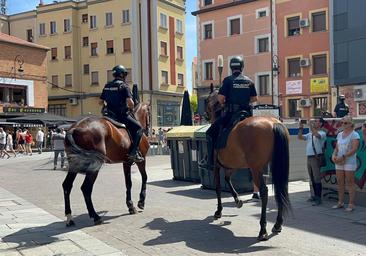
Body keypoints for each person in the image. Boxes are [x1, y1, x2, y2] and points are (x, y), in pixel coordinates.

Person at [206, 56, 258, 167]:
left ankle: (210, 161)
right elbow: (254, 99)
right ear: (242, 67)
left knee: (210, 133)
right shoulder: (249, 81)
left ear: (231, 67)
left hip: (232, 115)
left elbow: (220, 98)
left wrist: (224, 103)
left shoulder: (228, 80)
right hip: (247, 114)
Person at [99, 65, 144, 162]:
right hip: (121, 115)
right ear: (122, 75)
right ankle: (134, 152)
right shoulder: (123, 86)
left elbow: (100, 102)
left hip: (109, 115)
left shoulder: (107, 86)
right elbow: (130, 103)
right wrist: (130, 108)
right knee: (139, 128)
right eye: (125, 75)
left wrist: (106, 106)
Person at [331, 116, 360, 212]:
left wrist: (343, 156)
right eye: (342, 122)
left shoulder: (354, 134)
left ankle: (351, 204)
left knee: (350, 182)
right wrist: (334, 155)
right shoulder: (339, 134)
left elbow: (354, 149)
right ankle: (340, 202)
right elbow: (337, 147)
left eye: (345, 123)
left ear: (351, 124)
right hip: (339, 160)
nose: (343, 124)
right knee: (340, 181)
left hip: (349, 161)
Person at [298, 118, 326, 206]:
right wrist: (301, 128)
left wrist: (310, 125)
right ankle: (314, 196)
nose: (314, 123)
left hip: (316, 158)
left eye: (316, 121)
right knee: (312, 177)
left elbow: (317, 135)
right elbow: (300, 137)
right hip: (309, 158)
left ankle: (318, 198)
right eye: (314, 122)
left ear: (321, 124)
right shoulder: (310, 134)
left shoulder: (322, 133)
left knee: (317, 177)